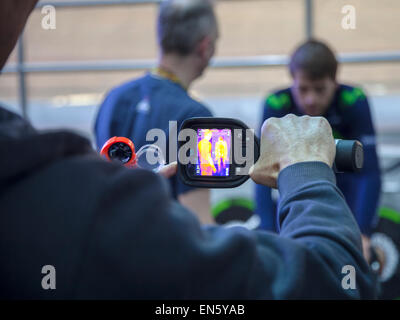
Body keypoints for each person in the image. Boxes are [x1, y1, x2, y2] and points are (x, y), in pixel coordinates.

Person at [0, 0, 377, 299]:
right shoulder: (195, 116)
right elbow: (201, 227)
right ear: (206, 46)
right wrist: (307, 171)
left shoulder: (115, 99)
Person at [94, 0, 217, 224]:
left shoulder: (113, 98)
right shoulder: (201, 118)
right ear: (204, 47)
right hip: (166, 251)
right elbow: (200, 221)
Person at [255, 40, 382, 256]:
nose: (311, 99)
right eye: (303, 89)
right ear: (292, 81)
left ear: (335, 82)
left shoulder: (354, 100)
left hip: (343, 190)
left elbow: (369, 172)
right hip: (294, 191)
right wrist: (268, 232)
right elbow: (262, 173)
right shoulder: (276, 103)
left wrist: (362, 233)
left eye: (320, 89)